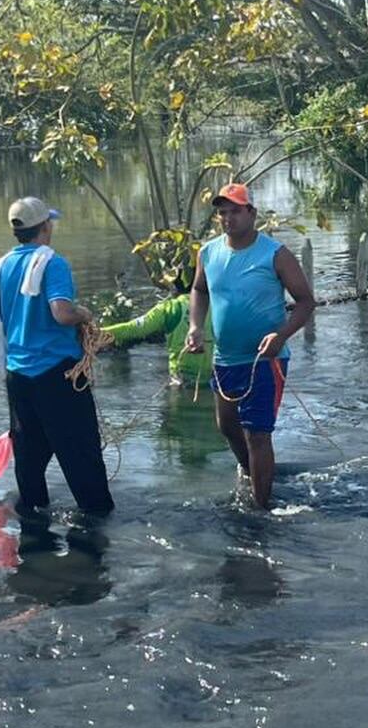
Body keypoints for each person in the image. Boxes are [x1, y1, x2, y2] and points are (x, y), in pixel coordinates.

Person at [0, 196, 114, 516]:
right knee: (81, 453)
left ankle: (33, 524)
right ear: (45, 227)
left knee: (30, 456)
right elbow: (62, 313)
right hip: (59, 374)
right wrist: (85, 314)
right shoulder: (53, 263)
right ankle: (98, 523)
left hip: (18, 378)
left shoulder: (0, 267)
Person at [186, 183, 315, 508]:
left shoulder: (275, 254)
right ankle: (252, 471)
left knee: (257, 434)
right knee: (227, 425)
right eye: (222, 212)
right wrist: (195, 326)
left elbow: (305, 301)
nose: (228, 218)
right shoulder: (208, 253)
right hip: (225, 357)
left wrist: (282, 335)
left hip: (265, 360)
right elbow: (199, 290)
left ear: (251, 213)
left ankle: (261, 509)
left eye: (235, 211)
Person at [101, 275, 214, 386]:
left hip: (180, 383)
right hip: (217, 383)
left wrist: (95, 332)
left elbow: (133, 329)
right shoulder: (219, 304)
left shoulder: (172, 308)